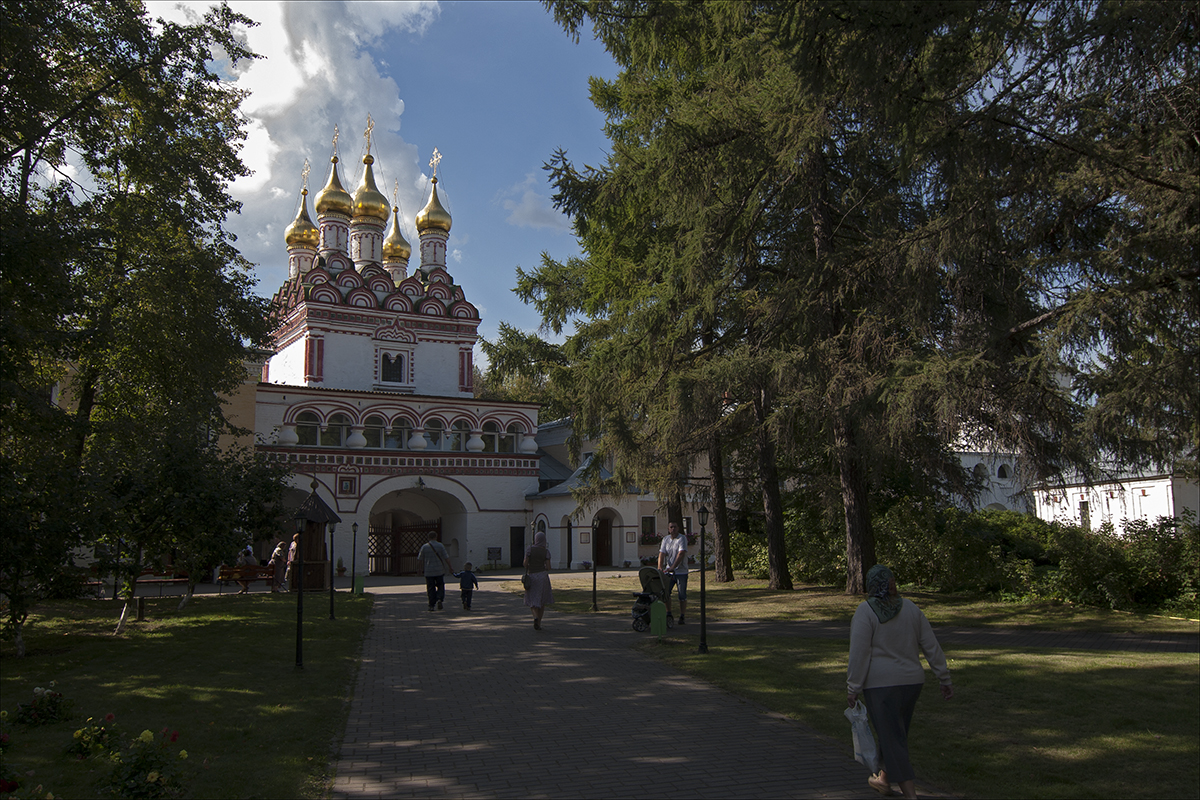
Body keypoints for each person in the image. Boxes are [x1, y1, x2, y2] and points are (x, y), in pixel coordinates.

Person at [847, 565, 954, 799]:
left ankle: (910, 795)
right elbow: (930, 646)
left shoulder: (866, 612)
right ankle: (884, 780)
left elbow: (859, 653)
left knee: (893, 738)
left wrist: (853, 687)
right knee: (894, 732)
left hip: (880, 686)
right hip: (911, 683)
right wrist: (943, 677)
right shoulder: (912, 609)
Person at [657, 521, 689, 624]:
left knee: (682, 594)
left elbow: (681, 553)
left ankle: (682, 615)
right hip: (668, 572)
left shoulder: (681, 538)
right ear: (668, 529)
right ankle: (669, 612)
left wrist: (673, 567)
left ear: (678, 528)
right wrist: (659, 568)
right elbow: (661, 554)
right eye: (671, 527)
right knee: (666, 593)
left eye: (675, 527)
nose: (673, 529)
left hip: (681, 572)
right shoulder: (666, 539)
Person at [523, 530, 553, 630]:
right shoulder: (546, 551)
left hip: (532, 576)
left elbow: (525, 564)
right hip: (543, 577)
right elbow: (548, 567)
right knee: (541, 600)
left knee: (532, 599)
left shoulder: (530, 549)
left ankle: (535, 616)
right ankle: (539, 623)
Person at [417, 531, 453, 611]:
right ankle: (440, 598)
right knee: (440, 585)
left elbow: (420, 559)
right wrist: (450, 567)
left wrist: (419, 569)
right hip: (439, 570)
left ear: (428, 537)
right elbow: (446, 557)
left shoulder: (425, 547)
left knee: (430, 588)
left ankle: (431, 605)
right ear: (436, 537)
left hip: (429, 571)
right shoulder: (440, 546)